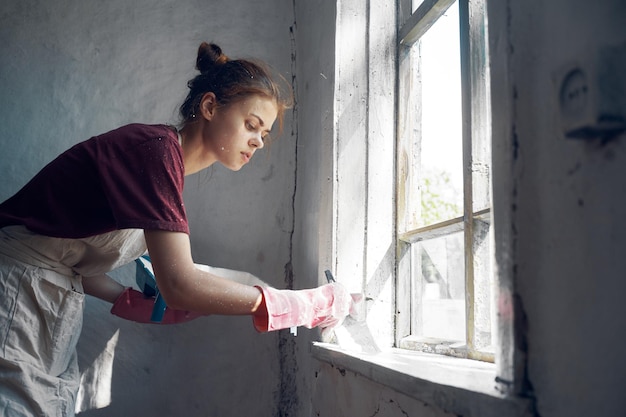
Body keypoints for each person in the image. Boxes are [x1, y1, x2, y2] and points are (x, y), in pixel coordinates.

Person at [0, 42, 354, 416]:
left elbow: (67, 253)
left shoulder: (165, 165)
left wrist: (126, 299)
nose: (258, 141)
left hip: (49, 298)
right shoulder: (156, 152)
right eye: (251, 125)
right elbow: (181, 284)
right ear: (209, 107)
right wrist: (296, 304)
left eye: (264, 134)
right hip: (17, 292)